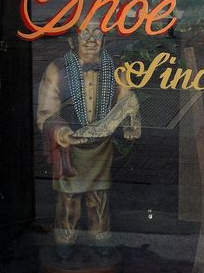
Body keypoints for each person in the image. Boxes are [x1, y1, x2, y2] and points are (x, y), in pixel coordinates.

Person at [37, 24, 141, 246]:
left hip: (101, 147)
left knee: (99, 197)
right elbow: (46, 115)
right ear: (72, 40)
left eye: (97, 32)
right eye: (85, 32)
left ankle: (101, 243)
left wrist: (132, 123)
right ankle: (65, 244)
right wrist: (63, 133)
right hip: (70, 149)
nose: (91, 38)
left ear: (104, 37)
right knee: (68, 200)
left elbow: (128, 100)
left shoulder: (115, 66)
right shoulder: (57, 68)